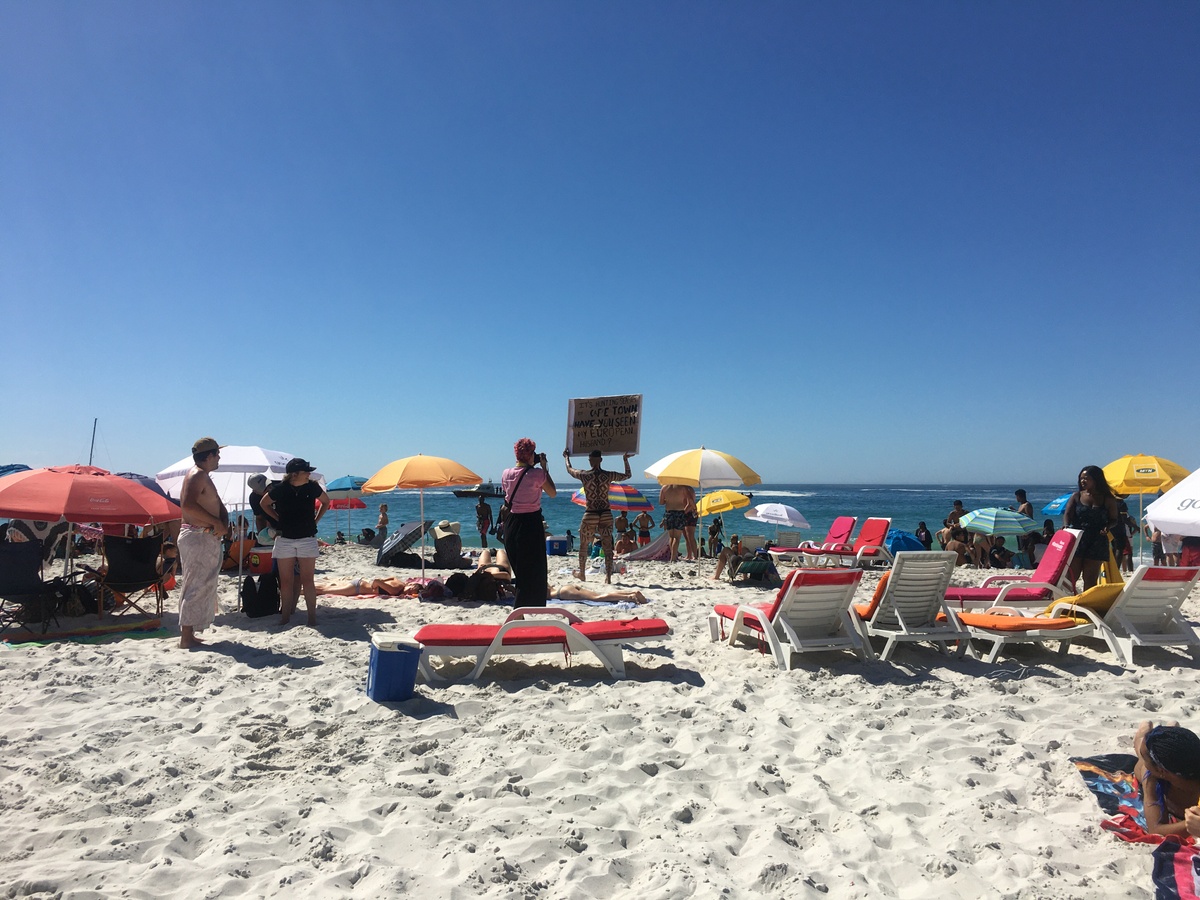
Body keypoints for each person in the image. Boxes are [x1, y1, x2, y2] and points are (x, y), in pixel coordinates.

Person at [259, 458, 330, 626]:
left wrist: (316, 520)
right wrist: (277, 518)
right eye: (306, 471)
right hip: (285, 539)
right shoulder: (280, 489)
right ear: (294, 474)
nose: (309, 473)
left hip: (307, 538)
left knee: (308, 580)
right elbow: (264, 503)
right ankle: (285, 617)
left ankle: (312, 618)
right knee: (286, 580)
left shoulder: (312, 487)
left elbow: (325, 502)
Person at [177, 437, 229, 649]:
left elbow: (213, 503)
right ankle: (186, 637)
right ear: (208, 456)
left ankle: (189, 634)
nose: (219, 457)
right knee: (196, 585)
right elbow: (188, 505)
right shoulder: (197, 475)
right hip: (198, 535)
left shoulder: (201, 475)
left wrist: (222, 520)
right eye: (217, 454)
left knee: (198, 583)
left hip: (202, 535)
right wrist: (217, 522)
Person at [501, 438, 556, 607]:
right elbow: (552, 492)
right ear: (531, 454)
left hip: (511, 523)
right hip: (530, 523)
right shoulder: (538, 474)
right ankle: (523, 609)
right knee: (535, 570)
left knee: (520, 570)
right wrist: (545, 467)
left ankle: (521, 611)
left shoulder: (506, 473)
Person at [564, 449, 633, 584]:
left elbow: (569, 469)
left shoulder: (584, 475)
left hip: (591, 512)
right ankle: (608, 577)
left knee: (583, 545)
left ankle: (582, 574)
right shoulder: (608, 475)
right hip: (606, 513)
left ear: (589, 460)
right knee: (607, 547)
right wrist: (625, 460)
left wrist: (566, 457)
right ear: (601, 460)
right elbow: (627, 475)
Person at [1133, 721, 1200, 837]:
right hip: (1159, 767)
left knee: (1155, 748)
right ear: (1160, 771)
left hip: (1169, 766)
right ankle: (1144, 729)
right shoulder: (1152, 778)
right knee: (1142, 746)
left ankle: (1170, 728)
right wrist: (1189, 825)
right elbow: (1155, 829)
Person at [1064, 465, 1120, 590]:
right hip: (1078, 538)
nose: (1082, 481)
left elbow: (1114, 519)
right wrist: (1066, 526)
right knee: (1071, 577)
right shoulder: (1076, 496)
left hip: (1097, 540)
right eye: (1081, 478)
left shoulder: (1108, 498)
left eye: (1086, 478)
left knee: (1090, 579)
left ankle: (1085, 606)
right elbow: (1068, 514)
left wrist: (1108, 526)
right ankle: (1066, 603)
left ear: (1096, 479)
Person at [659, 483, 697, 563]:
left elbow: (661, 502)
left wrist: (670, 500)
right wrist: (694, 508)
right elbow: (690, 500)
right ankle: (673, 557)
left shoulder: (664, 487)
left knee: (671, 536)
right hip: (679, 512)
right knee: (677, 537)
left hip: (668, 512)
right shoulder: (683, 487)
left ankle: (673, 556)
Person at [247, 474, 278, 544]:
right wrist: (262, 537)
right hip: (273, 531)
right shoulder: (254, 499)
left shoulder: (280, 487)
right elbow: (259, 518)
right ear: (255, 491)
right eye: (264, 489)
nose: (269, 489)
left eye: (268, 485)